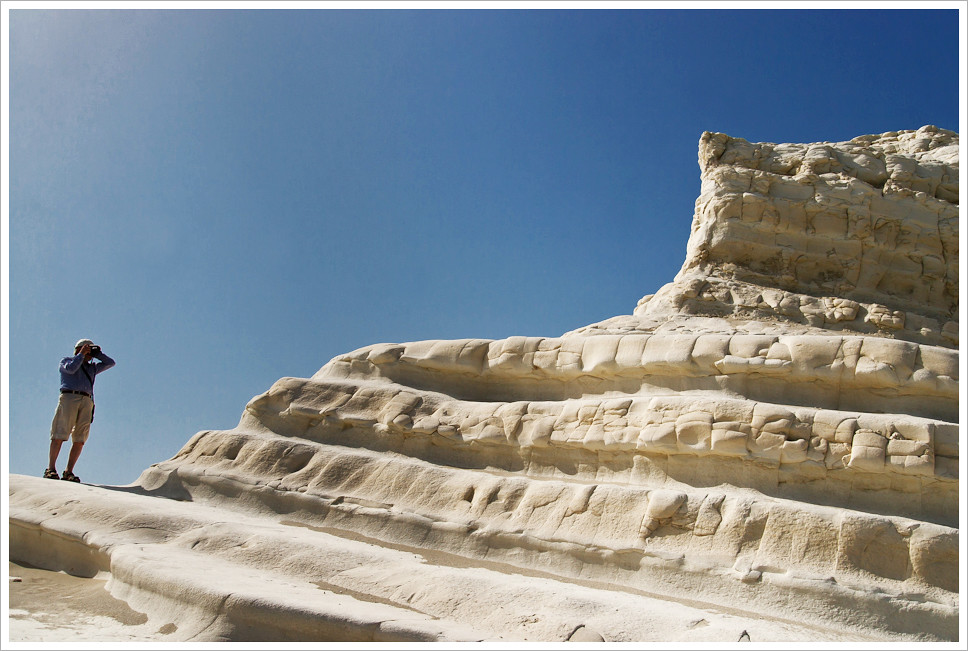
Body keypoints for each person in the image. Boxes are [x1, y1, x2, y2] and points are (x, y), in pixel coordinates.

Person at [45, 338, 116, 482]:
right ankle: (51, 469)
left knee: (80, 438)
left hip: (86, 400)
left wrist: (98, 354)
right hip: (69, 396)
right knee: (59, 433)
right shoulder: (66, 361)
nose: (89, 351)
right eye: (87, 348)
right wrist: (81, 355)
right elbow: (71, 369)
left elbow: (110, 363)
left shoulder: (92, 368)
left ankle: (68, 471)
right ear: (78, 349)